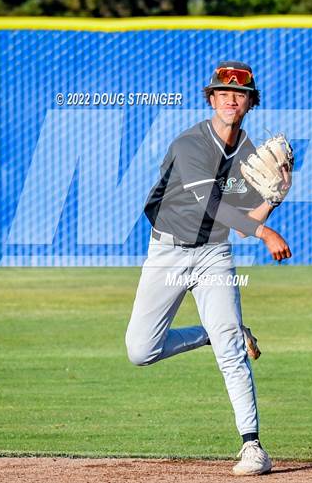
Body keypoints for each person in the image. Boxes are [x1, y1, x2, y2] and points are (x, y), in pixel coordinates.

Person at [125, 61, 292, 476]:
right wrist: (264, 233)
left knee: (232, 351)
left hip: (213, 254)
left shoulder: (251, 154)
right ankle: (209, 336)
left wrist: (274, 197)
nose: (230, 99)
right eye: (222, 92)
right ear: (212, 99)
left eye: (239, 94)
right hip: (167, 253)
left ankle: (253, 447)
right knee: (141, 351)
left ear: (250, 102)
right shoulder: (190, 144)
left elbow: (241, 212)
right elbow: (210, 205)